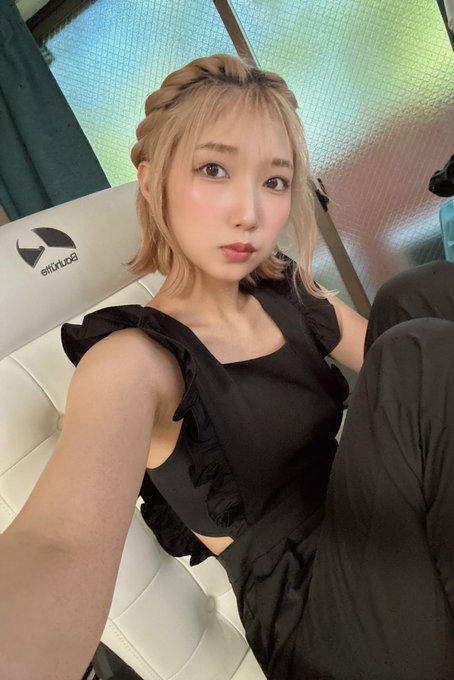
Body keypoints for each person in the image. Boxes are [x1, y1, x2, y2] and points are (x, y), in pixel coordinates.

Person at [1, 53, 453, 680]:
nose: (251, 212)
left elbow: (411, 382)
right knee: (417, 347)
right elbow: (59, 539)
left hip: (370, 522)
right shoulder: (133, 360)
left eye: (275, 181)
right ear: (152, 182)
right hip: (317, 614)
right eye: (214, 169)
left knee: (419, 295)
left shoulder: (287, 293)